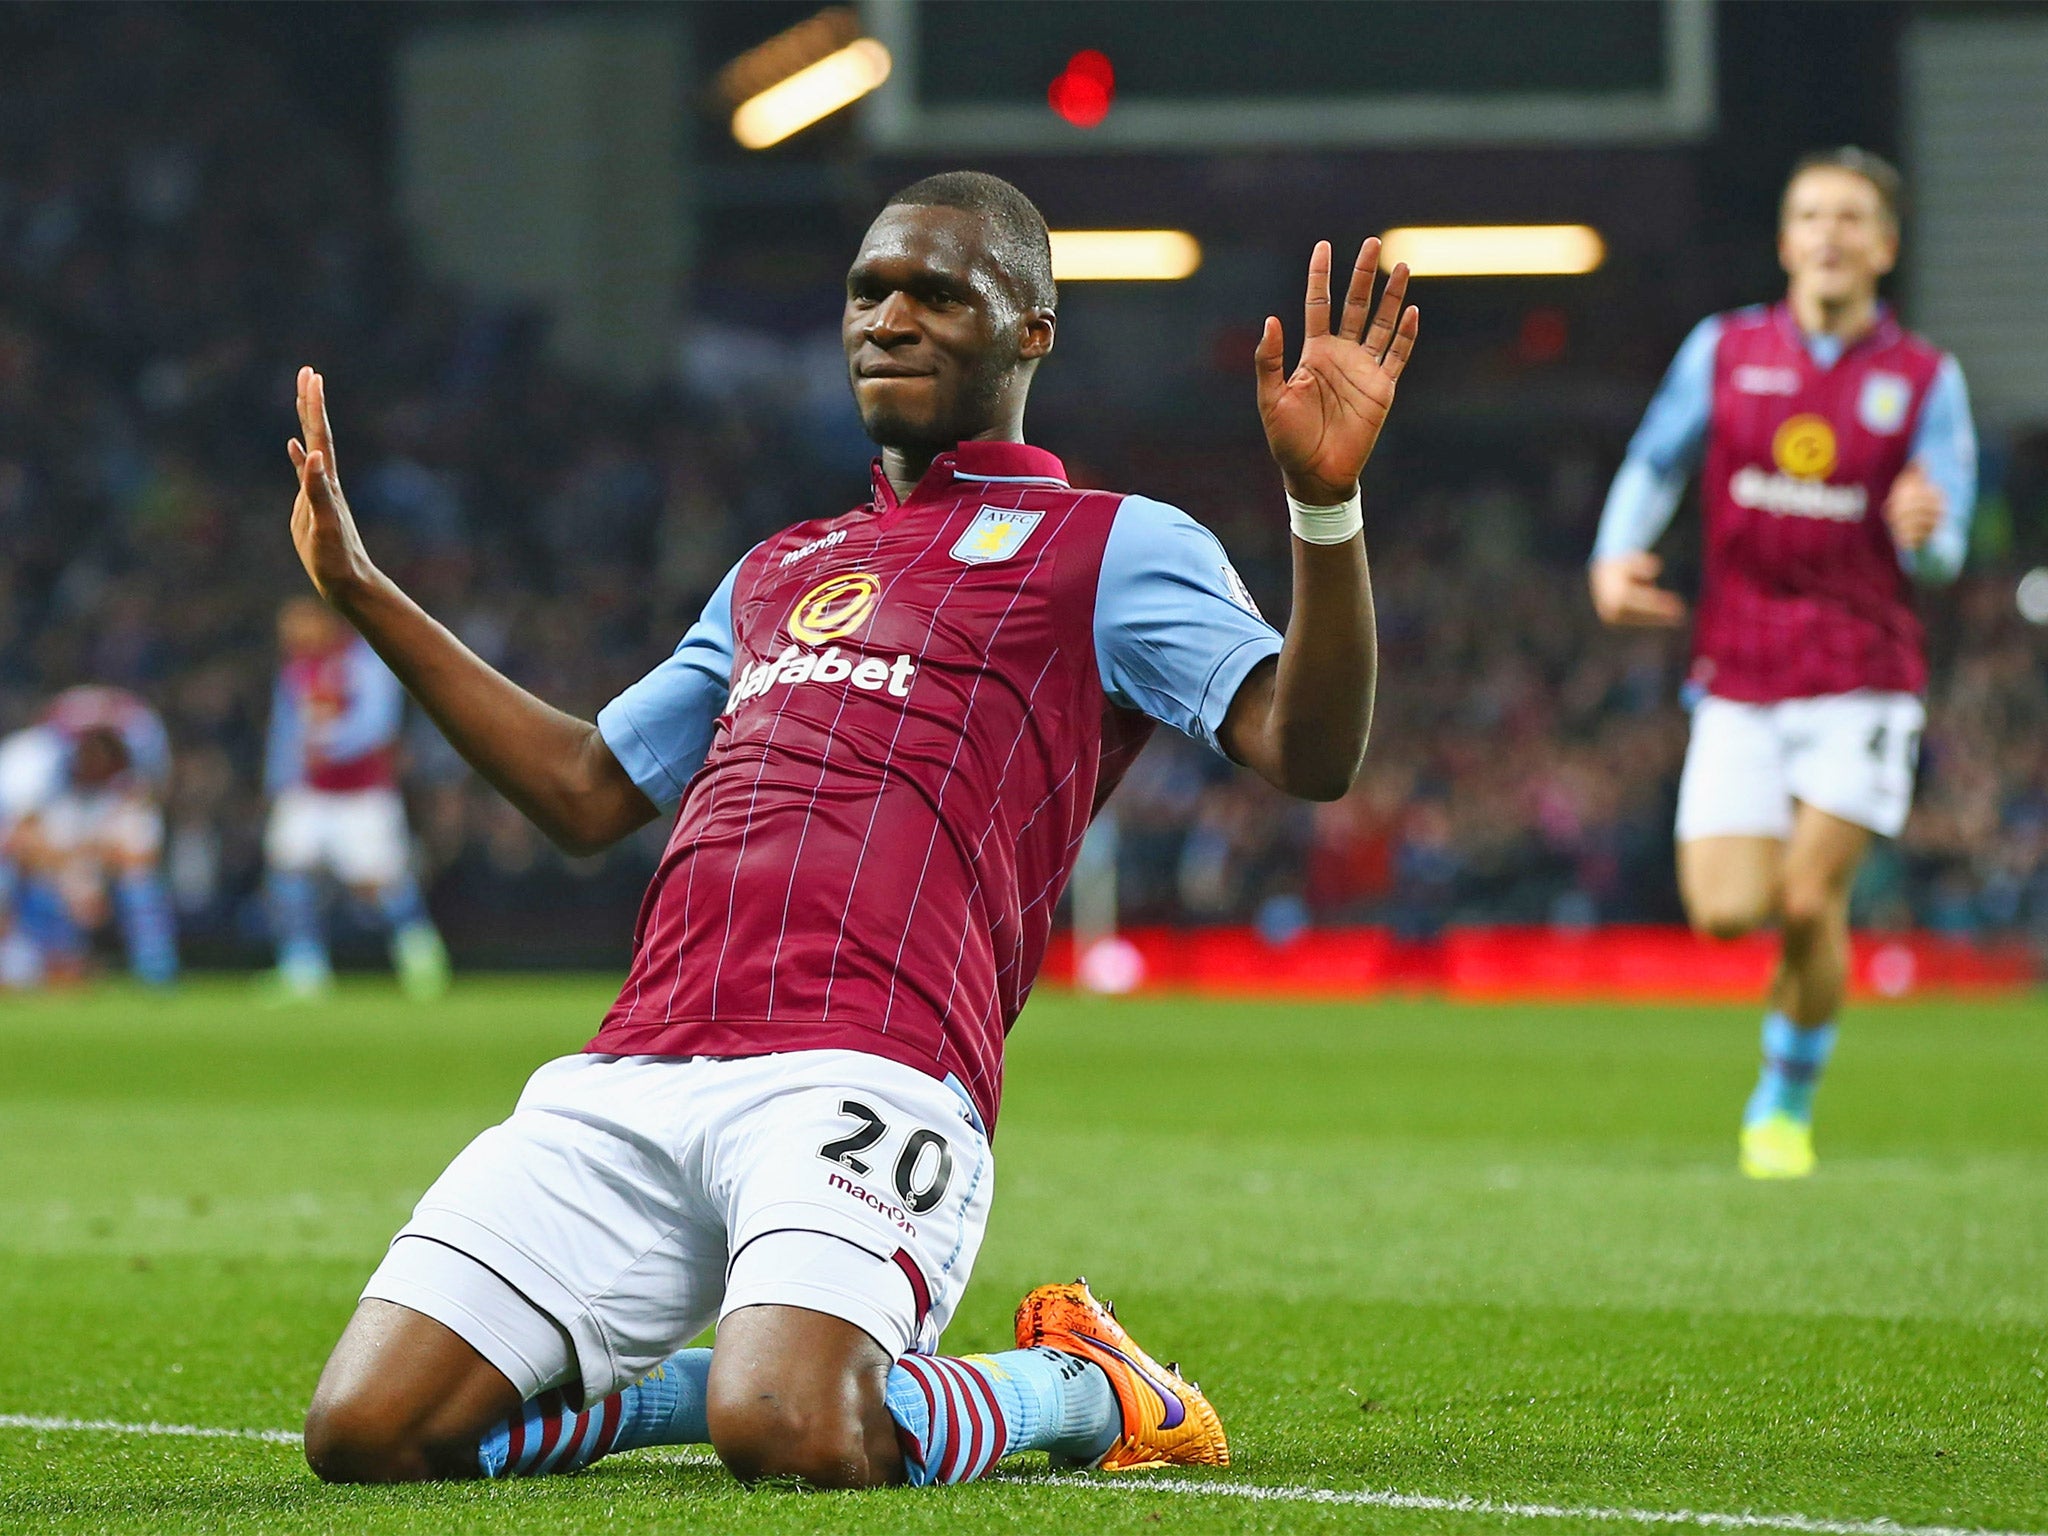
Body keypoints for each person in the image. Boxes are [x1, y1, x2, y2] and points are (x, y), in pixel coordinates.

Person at [290, 172, 1415, 1490]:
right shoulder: (777, 569)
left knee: (795, 1432)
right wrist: (365, 594)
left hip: (870, 1068)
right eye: (869, 292)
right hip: (640, 1065)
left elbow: (1310, 748)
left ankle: (1087, 1390)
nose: (890, 317)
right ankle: (692, 1391)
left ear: (1031, 330)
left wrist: (1322, 513)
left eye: (939, 294)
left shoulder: (1112, 548)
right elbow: (588, 787)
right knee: (366, 1433)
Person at [1589, 148, 1976, 1179]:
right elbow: (1652, 459)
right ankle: (1791, 1022)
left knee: (1807, 901)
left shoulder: (1924, 382)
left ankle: (1782, 1100)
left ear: (1884, 245)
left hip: (1863, 673)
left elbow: (1943, 547)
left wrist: (1925, 530)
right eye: (1810, 215)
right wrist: (1611, 554)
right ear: (1784, 239)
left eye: (1851, 218)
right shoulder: (1723, 350)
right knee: (1721, 914)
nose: (1829, 234)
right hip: (1738, 673)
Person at [263, 596, 450, 1000]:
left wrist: (327, 746)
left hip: (363, 794)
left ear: (325, 621)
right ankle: (303, 969)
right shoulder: (296, 669)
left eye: (299, 624)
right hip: (309, 793)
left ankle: (421, 959)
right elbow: (285, 730)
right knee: (288, 872)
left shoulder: (364, 662)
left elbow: (376, 725)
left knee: (380, 883)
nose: (291, 635)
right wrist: (278, 780)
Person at [0, 687, 177, 989]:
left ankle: (156, 971)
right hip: (38, 878)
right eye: (91, 746)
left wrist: (89, 875)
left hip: (82, 868)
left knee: (141, 885)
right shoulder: (30, 763)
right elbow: (16, 843)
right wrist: (71, 875)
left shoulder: (129, 784)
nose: (98, 757)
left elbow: (140, 856)